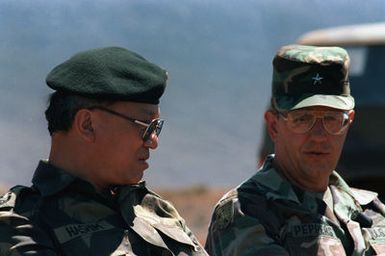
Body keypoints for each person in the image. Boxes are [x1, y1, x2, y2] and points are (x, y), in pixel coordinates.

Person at [0, 46, 207, 255]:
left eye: (156, 128)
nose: (153, 142)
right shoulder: (20, 224)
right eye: (145, 127)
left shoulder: (156, 209)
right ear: (87, 124)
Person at [205, 44, 385, 255]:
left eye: (331, 119)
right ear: (274, 126)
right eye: (302, 119)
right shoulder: (247, 212)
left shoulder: (371, 210)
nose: (319, 136)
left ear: (348, 122)